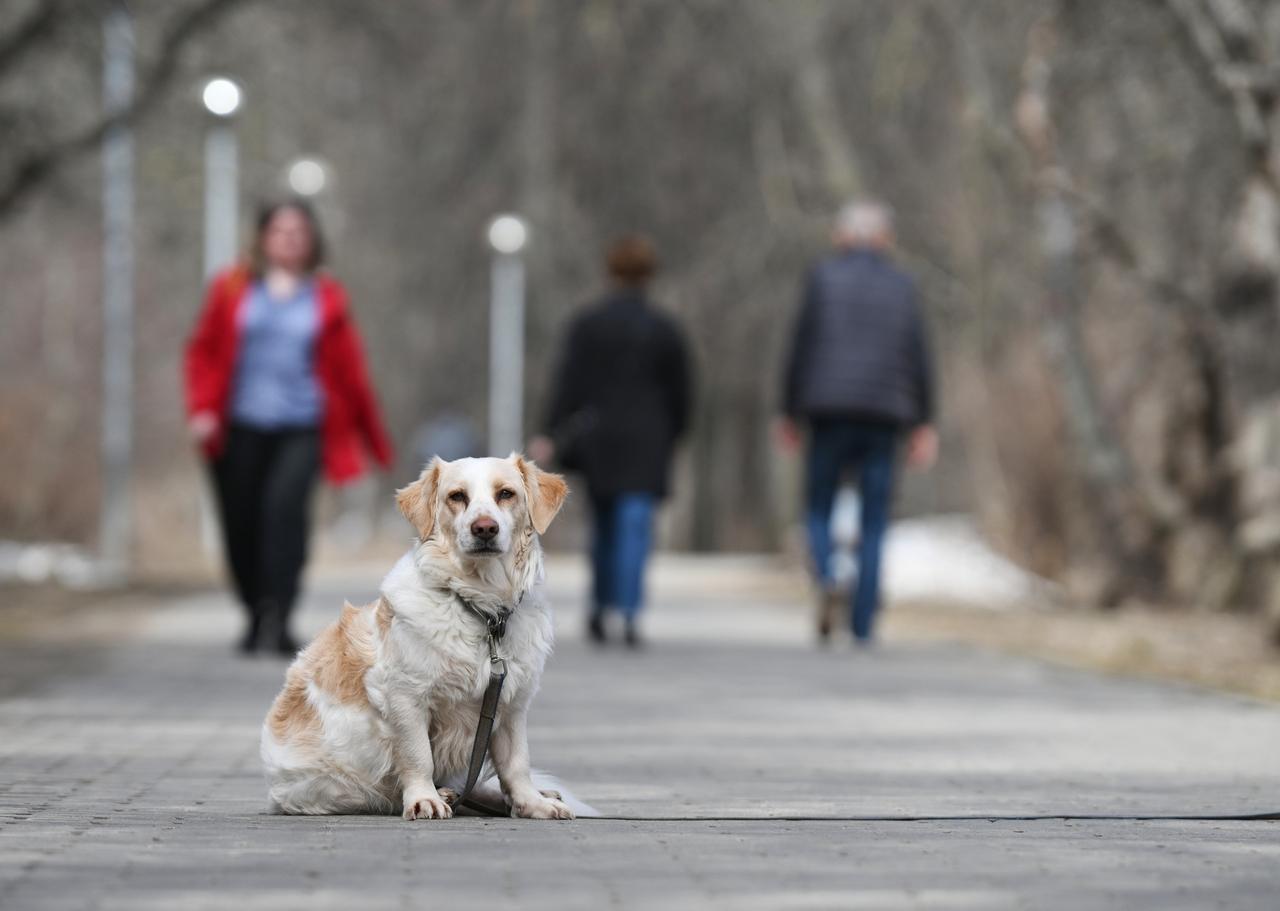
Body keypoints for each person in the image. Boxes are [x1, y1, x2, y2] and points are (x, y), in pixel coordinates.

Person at [184, 200, 394, 655]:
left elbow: (351, 373)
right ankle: (254, 610)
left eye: (299, 231)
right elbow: (203, 351)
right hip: (238, 425)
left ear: (312, 240)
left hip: (303, 425)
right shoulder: (232, 287)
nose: (290, 239)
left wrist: (374, 442)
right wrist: (202, 409)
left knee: (284, 516)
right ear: (263, 237)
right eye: (280, 231)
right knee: (241, 521)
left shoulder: (327, 296)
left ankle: (280, 615)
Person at [779, 200, 937, 645]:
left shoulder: (822, 278)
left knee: (818, 506)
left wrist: (789, 410)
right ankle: (864, 623)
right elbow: (919, 356)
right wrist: (924, 421)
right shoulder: (902, 284)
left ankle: (828, 574)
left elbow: (800, 347)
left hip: (827, 410)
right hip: (885, 415)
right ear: (885, 238)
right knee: (874, 519)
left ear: (842, 236)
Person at [531, 235, 692, 648]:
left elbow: (568, 383)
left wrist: (549, 431)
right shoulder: (665, 329)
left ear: (611, 273)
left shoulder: (588, 324)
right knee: (636, 526)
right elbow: (683, 392)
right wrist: (676, 433)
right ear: (649, 275)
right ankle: (630, 611)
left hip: (601, 439)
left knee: (603, 526)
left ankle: (601, 606)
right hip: (649, 439)